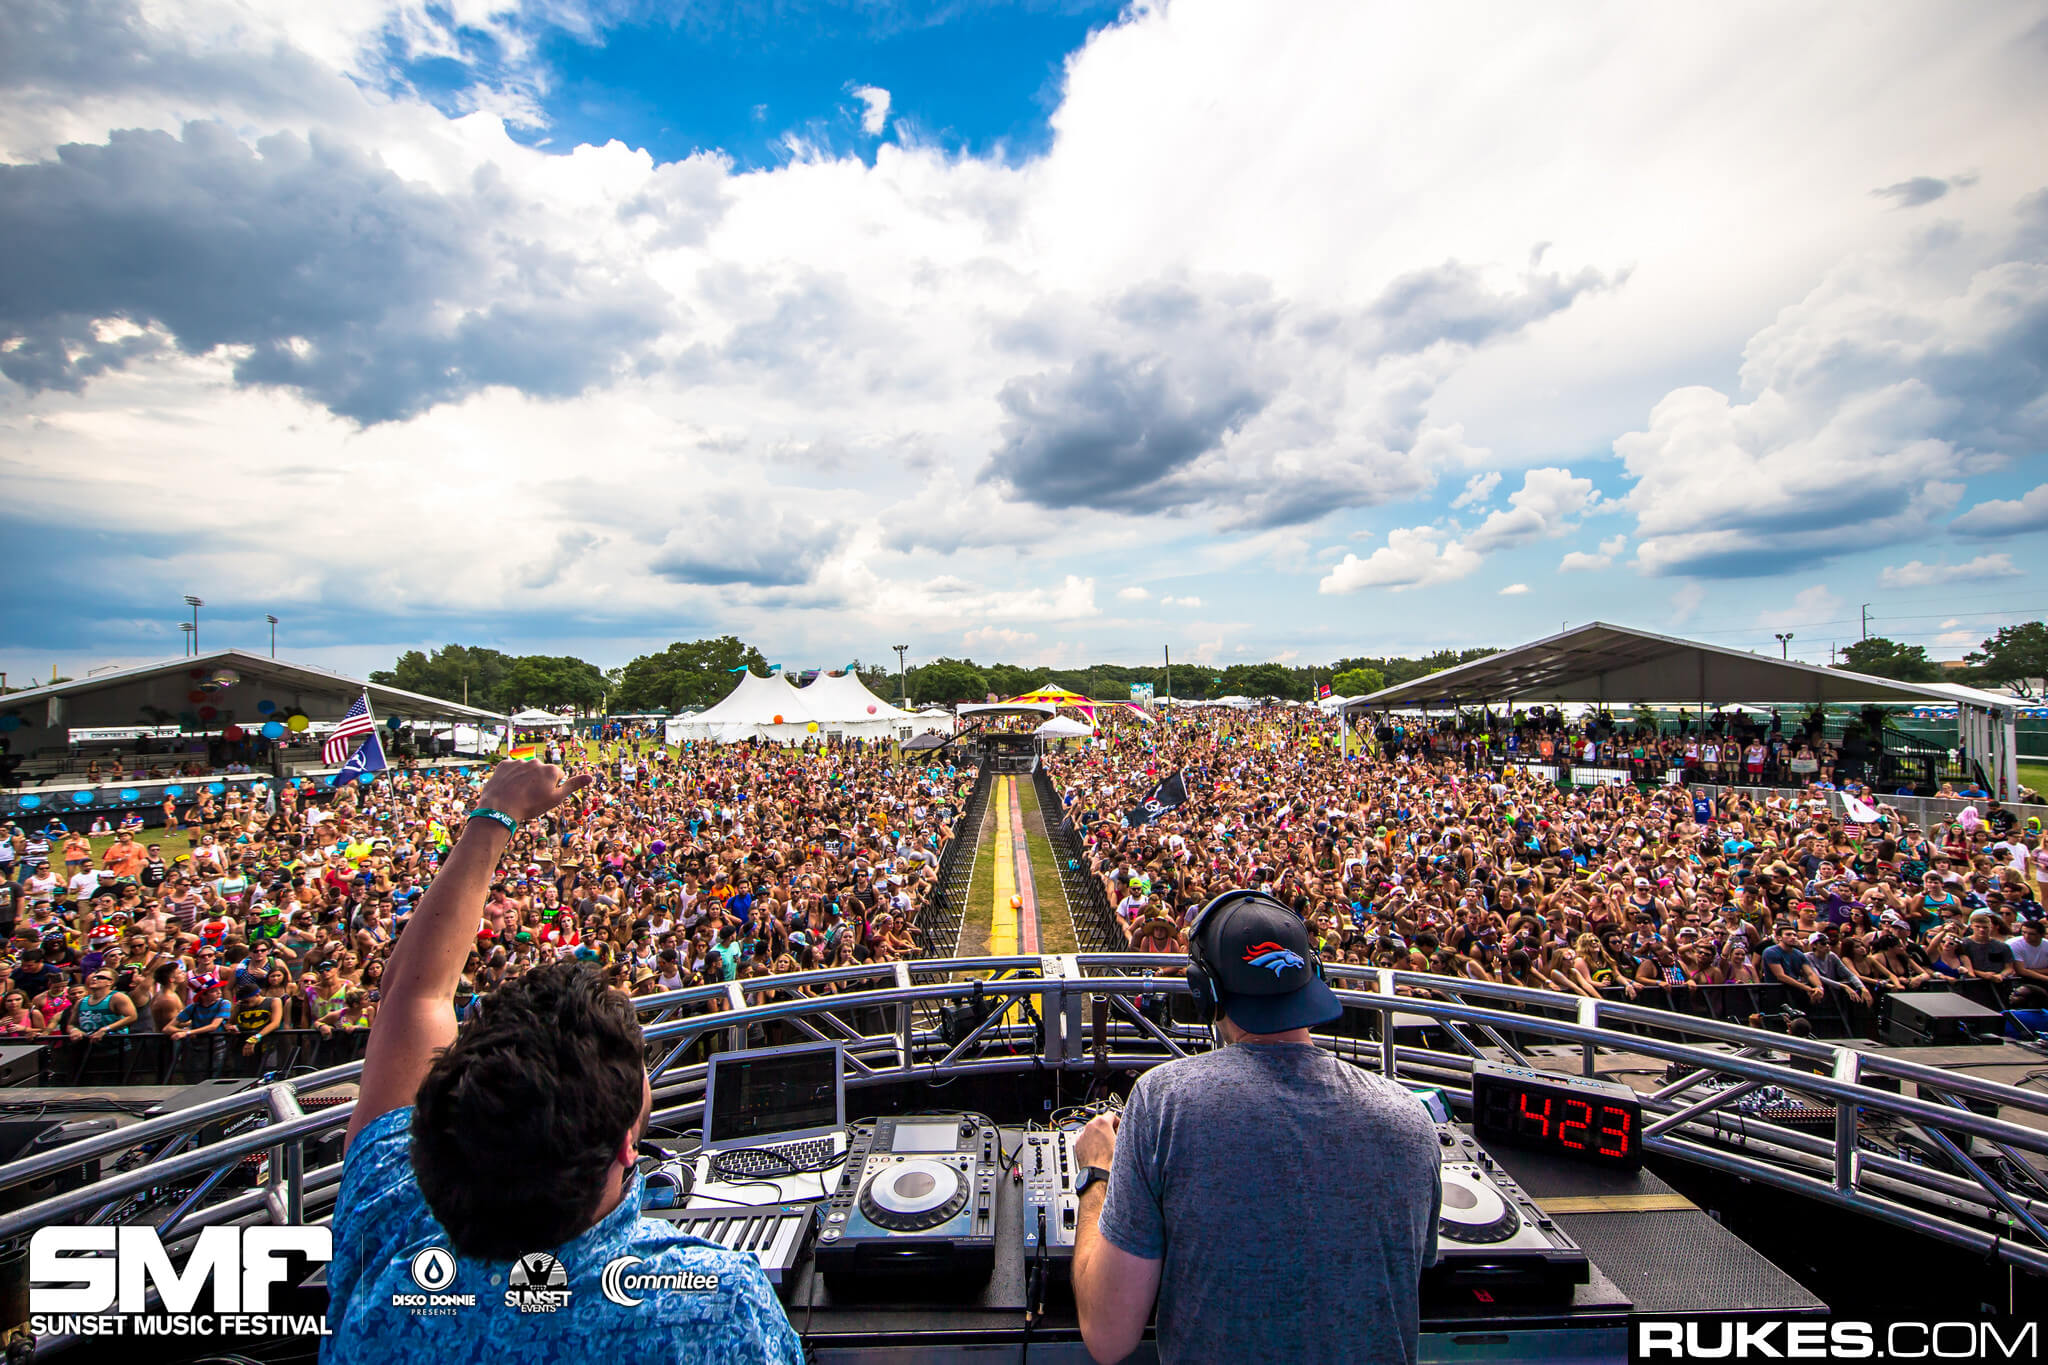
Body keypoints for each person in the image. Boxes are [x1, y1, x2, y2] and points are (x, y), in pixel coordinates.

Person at [323, 760, 801, 1365]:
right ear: (628, 1146)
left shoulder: (387, 1219)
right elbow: (413, 997)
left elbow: (412, 997)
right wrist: (498, 811)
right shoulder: (713, 1306)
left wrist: (495, 811)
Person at [1072, 889, 1440, 1365]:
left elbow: (1108, 1337)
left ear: (1205, 992)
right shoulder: (1411, 1117)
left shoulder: (1164, 1102)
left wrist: (1096, 1175)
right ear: (1314, 976)